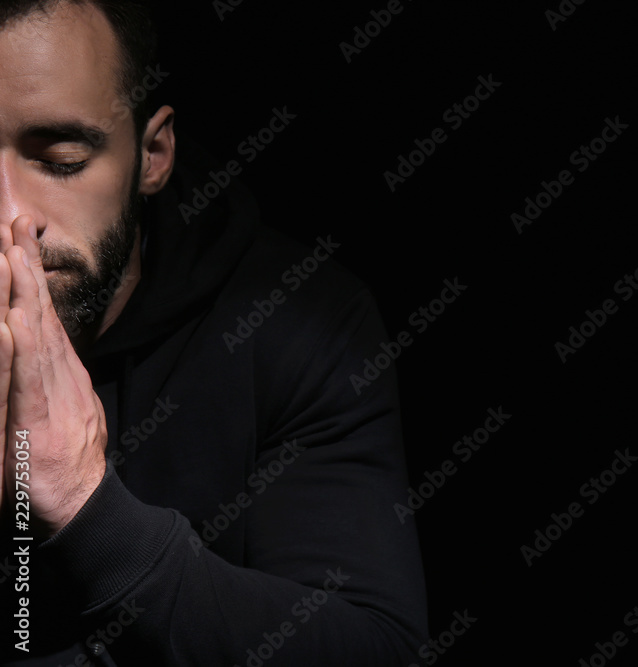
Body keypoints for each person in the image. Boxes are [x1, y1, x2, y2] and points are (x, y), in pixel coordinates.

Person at [0, 0, 428, 664]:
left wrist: (87, 507)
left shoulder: (302, 324)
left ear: (152, 154)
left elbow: (375, 647)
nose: (10, 216)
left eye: (59, 159)